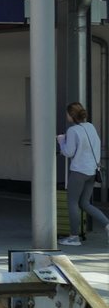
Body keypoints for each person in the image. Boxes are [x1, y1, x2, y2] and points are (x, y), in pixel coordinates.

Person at [56, 101, 109, 246]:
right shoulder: (90, 126)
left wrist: (61, 141)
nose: (66, 115)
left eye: (67, 113)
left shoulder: (73, 131)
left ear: (72, 115)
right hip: (92, 171)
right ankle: (107, 224)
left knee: (72, 203)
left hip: (79, 172)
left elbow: (68, 152)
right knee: (84, 203)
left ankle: (74, 237)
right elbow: (95, 145)